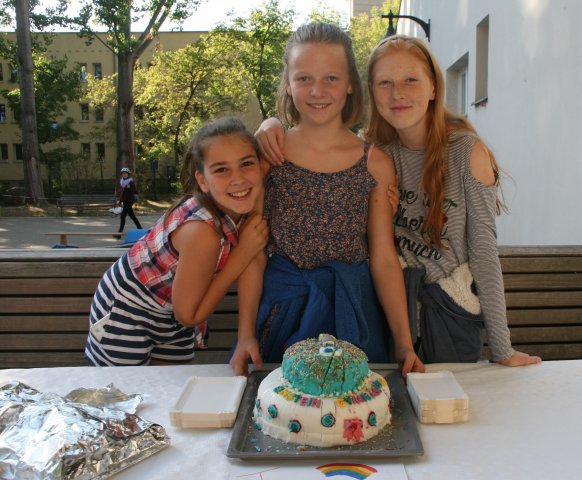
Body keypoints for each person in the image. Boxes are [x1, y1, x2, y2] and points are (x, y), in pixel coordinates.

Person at [258, 34, 541, 367]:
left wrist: (503, 349)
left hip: (447, 310)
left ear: (434, 87)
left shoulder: (466, 152)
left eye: (410, 80)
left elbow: (483, 251)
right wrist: (270, 124)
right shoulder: (377, 152)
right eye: (385, 83)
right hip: (389, 309)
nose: (397, 93)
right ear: (371, 90)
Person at [230, 23, 424, 377]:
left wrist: (403, 342)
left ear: (350, 84)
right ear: (288, 83)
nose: (317, 91)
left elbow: (383, 258)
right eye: (304, 78)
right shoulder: (269, 156)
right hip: (283, 316)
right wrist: (245, 335)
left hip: (354, 316)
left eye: (331, 78)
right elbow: (253, 253)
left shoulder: (375, 163)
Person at [85, 117, 268, 366]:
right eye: (221, 169)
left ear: (260, 166)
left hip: (170, 312)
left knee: (170, 388)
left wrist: (246, 335)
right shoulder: (200, 232)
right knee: (125, 389)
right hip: (126, 310)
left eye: (246, 163)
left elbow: (254, 257)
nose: (238, 179)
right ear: (202, 181)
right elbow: (189, 316)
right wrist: (242, 253)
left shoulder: (245, 203)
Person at [116, 167, 143, 233]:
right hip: (125, 201)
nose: (124, 174)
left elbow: (135, 191)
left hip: (130, 201)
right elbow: (123, 193)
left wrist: (129, 188)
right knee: (132, 216)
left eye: (126, 173)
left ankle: (119, 233)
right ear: (121, 174)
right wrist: (120, 201)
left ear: (128, 174)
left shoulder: (130, 182)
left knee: (123, 216)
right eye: (123, 173)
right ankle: (140, 228)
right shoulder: (122, 182)